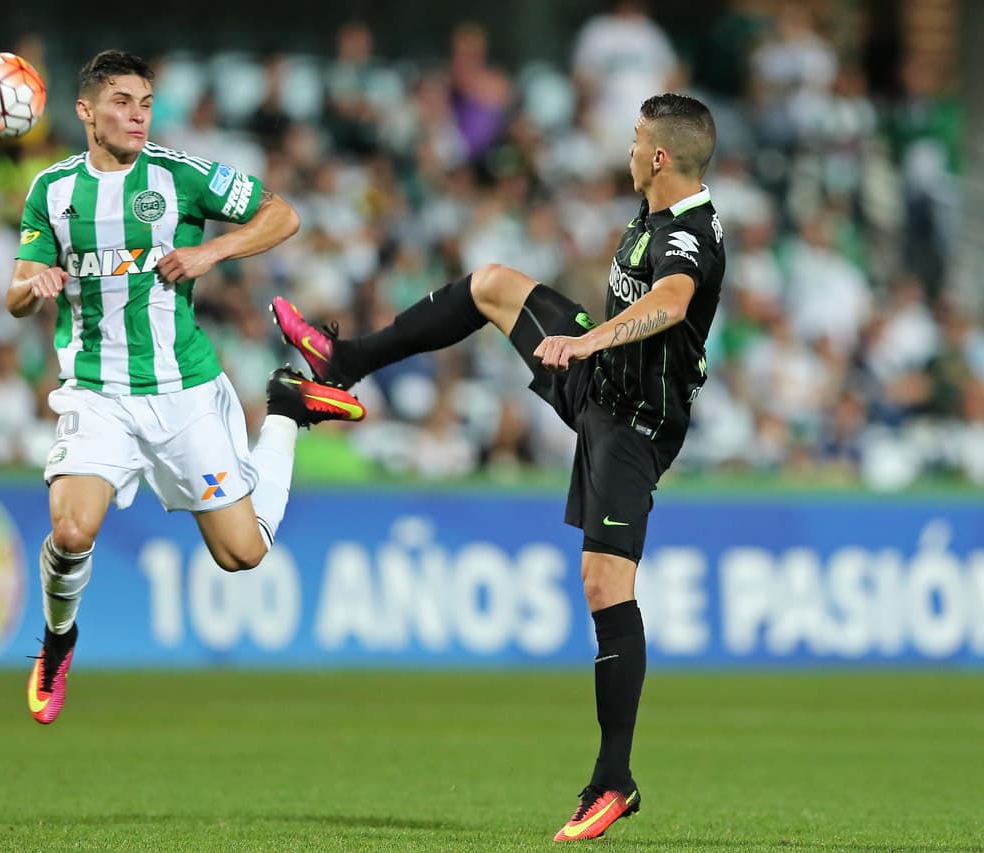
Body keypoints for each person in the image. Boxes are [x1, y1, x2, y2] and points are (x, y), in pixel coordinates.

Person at [272, 92, 724, 842]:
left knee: (605, 582)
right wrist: (591, 346)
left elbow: (673, 303)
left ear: (660, 156)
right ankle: (342, 361)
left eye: (637, 136)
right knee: (490, 284)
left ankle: (614, 779)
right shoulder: (648, 213)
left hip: (634, 425)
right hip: (601, 384)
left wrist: (587, 342)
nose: (628, 144)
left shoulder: (691, 234)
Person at [7, 50, 366, 725]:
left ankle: (285, 407)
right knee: (72, 526)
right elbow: (16, 293)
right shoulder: (51, 190)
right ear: (85, 112)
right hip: (97, 391)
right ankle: (58, 640)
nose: (137, 115)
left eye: (144, 101)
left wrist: (212, 251)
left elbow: (282, 214)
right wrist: (34, 285)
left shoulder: (179, 175)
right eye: (121, 102)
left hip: (184, 391)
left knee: (243, 554)